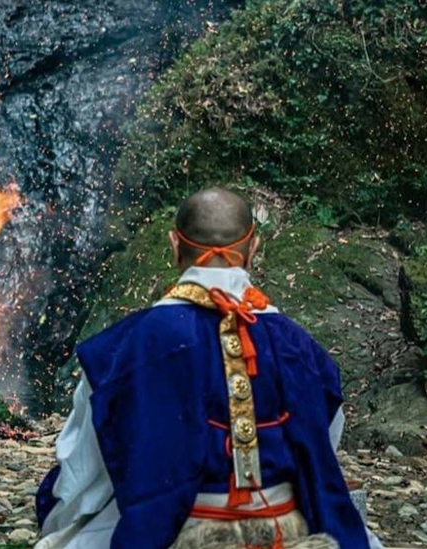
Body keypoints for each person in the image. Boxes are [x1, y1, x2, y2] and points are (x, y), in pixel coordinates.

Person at [35, 188, 383, 549]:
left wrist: (58, 514)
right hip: (283, 528)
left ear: (174, 246)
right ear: (253, 249)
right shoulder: (299, 346)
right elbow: (322, 446)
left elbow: (83, 473)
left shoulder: (124, 347)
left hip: (174, 534)